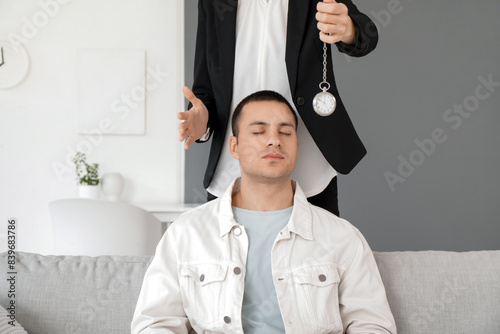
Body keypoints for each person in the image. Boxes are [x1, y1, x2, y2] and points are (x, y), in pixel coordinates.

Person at [133, 91, 396, 333]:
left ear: (297, 146)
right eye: (259, 131)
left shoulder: (342, 237)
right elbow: (154, 323)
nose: (274, 140)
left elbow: (372, 325)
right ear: (234, 147)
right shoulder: (187, 233)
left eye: (286, 132)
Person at [178, 0, 378, 216]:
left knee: (317, 248)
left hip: (309, 170)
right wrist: (203, 122)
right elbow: (204, 89)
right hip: (230, 173)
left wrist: (348, 28)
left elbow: (367, 36)